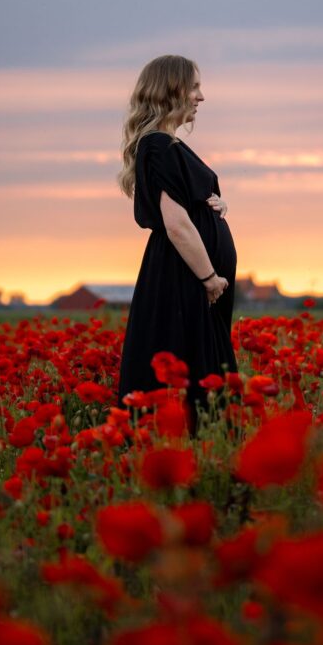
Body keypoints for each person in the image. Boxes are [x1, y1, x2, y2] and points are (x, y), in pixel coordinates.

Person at [116, 54, 238, 429]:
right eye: (195, 87)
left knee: (202, 374)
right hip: (186, 279)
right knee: (193, 375)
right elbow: (177, 224)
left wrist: (214, 204)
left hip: (188, 277)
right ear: (172, 90)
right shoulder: (158, 146)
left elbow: (185, 207)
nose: (201, 97)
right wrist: (209, 277)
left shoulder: (166, 146)